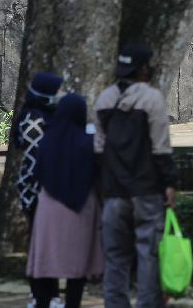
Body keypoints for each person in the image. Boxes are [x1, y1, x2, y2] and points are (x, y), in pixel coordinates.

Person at [93, 42, 178, 308]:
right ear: (142, 68)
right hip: (147, 191)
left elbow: (98, 150)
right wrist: (170, 184)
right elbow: (160, 147)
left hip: (113, 192)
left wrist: (102, 189)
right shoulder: (152, 98)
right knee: (148, 254)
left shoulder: (104, 99)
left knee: (115, 256)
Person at [26, 93, 102, 308]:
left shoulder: (48, 140)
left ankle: (42, 303)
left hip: (49, 208)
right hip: (81, 208)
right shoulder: (87, 142)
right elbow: (97, 172)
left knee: (46, 263)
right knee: (77, 268)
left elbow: (37, 171)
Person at [14, 72, 65, 225]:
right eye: (59, 90)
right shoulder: (33, 120)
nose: (63, 94)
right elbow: (33, 159)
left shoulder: (47, 115)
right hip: (36, 193)